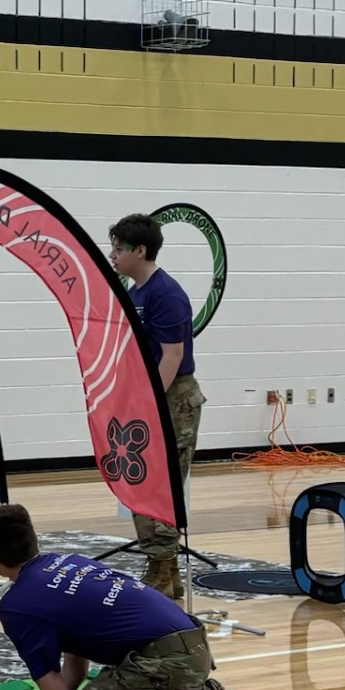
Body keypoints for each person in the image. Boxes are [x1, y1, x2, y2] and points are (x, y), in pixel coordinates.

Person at [0, 503, 266, 690]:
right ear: (34, 539)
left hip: (162, 666)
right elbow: (76, 668)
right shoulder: (66, 561)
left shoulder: (17, 605)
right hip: (189, 649)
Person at [108, 213, 205, 599]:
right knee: (141, 480)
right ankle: (164, 572)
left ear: (140, 250)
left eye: (118, 249)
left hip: (172, 396)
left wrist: (150, 403)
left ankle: (163, 569)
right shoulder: (136, 294)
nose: (113, 256)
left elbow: (172, 355)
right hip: (146, 393)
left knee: (163, 485)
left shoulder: (166, 293)